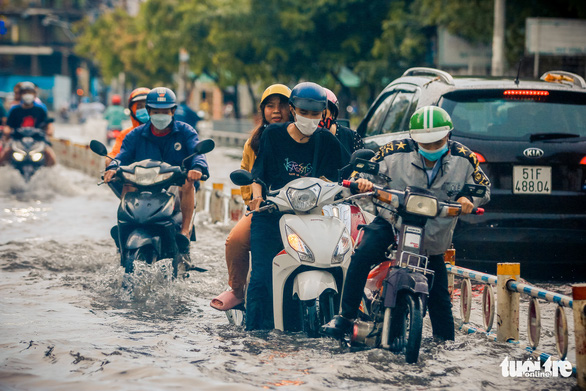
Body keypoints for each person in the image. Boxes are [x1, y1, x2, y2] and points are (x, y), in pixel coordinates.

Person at [321, 106, 491, 341]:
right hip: (393, 221)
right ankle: (345, 317)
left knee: (439, 296)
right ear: (414, 139)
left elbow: (484, 187)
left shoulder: (465, 157)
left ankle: (445, 344)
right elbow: (365, 173)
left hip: (432, 235)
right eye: (425, 144)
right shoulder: (393, 151)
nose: (431, 149)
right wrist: (362, 182)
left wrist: (469, 199)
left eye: (437, 143)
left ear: (448, 136)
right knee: (361, 255)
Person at [245, 82, 349, 330]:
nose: (310, 119)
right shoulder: (273, 135)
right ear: (293, 110)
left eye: (316, 114)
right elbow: (258, 175)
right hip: (271, 214)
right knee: (260, 278)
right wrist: (257, 197)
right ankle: (254, 334)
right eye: (304, 113)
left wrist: (362, 180)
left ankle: (344, 319)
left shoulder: (325, 140)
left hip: (310, 215)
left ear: (323, 113)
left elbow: (348, 169)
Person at [210, 83, 291, 311]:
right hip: (264, 210)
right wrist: (255, 202)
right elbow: (248, 176)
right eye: (270, 106)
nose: (276, 111)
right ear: (262, 110)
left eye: (282, 105)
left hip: (301, 209)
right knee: (235, 240)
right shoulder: (254, 141)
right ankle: (237, 290)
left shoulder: (304, 138)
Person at [103, 87, 209, 262]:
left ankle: (184, 232)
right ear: (149, 111)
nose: (161, 115)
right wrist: (113, 167)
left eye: (165, 111)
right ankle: (124, 226)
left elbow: (198, 153)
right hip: (143, 184)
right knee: (127, 183)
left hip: (174, 184)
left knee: (186, 184)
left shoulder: (186, 131)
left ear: (173, 111)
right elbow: (122, 155)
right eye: (156, 111)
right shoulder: (134, 135)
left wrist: (197, 168)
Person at [0, 81, 56, 166]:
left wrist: (49, 131)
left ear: (34, 94)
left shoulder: (40, 109)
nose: (27, 95)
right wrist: (7, 131)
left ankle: (51, 173)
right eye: (25, 92)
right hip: (18, 139)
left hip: (37, 139)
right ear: (21, 95)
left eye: (30, 92)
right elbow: (8, 125)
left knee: (50, 155)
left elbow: (48, 124)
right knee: (5, 153)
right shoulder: (15, 109)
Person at [108, 87, 151, 160]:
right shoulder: (125, 135)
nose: (144, 109)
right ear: (132, 109)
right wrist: (110, 160)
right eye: (139, 106)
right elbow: (115, 154)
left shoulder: (162, 133)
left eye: (147, 106)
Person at [320, 87, 364, 154]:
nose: (317, 119)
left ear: (333, 113)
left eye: (322, 115)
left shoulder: (351, 138)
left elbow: (363, 161)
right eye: (312, 115)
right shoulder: (304, 138)